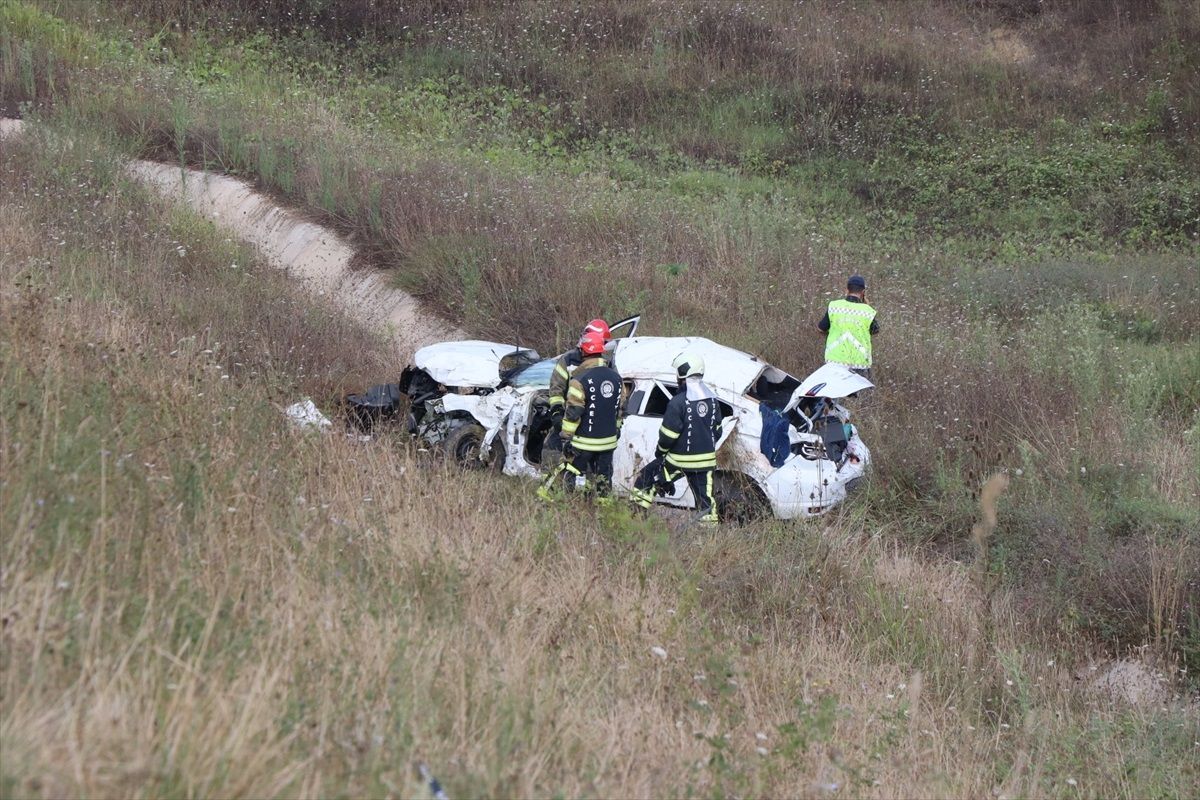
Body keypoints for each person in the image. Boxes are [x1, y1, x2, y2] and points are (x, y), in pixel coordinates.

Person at [631, 352, 723, 524]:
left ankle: (637, 519)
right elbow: (717, 430)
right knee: (706, 501)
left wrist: (660, 452)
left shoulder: (678, 402)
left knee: (647, 477)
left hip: (678, 461)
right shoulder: (712, 399)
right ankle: (709, 537)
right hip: (706, 461)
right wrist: (704, 446)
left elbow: (668, 435)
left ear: (683, 373)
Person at [537, 331, 624, 501]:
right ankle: (603, 512)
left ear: (584, 352)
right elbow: (620, 410)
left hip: (583, 442)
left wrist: (565, 437)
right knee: (603, 481)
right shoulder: (617, 378)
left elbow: (574, 412)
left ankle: (559, 501)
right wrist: (617, 429)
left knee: (568, 472)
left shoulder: (579, 380)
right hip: (608, 443)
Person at [546, 318, 612, 455]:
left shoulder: (608, 363)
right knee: (552, 450)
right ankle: (552, 475)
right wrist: (557, 412)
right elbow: (556, 388)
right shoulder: (568, 360)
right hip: (569, 416)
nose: (602, 345)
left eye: (604, 343)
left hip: (593, 420)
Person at [817, 274, 879, 380]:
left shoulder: (834, 306)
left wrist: (832, 334)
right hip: (859, 362)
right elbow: (875, 331)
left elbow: (821, 328)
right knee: (861, 394)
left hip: (834, 360)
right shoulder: (868, 311)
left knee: (835, 393)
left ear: (846, 290)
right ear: (863, 292)